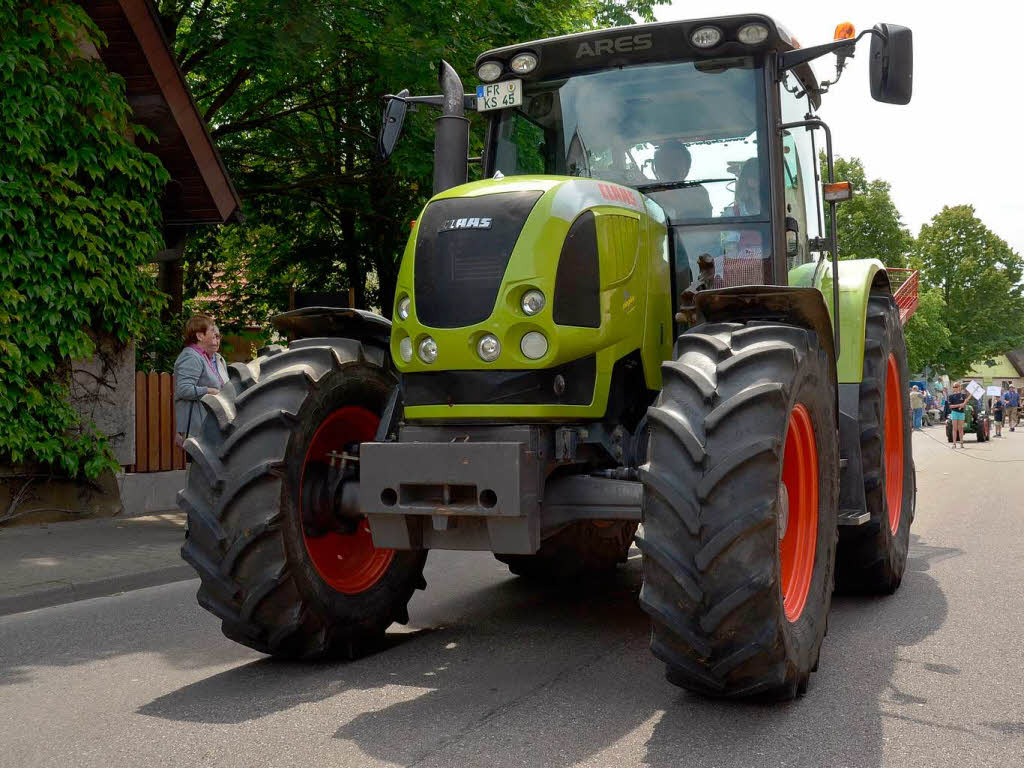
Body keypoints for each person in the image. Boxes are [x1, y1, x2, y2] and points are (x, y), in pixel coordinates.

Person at [173, 314, 224, 446]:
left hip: (204, 423)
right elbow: (184, 389)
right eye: (211, 330)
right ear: (200, 336)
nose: (215, 334)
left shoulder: (202, 356)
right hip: (197, 425)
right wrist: (210, 391)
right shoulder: (191, 357)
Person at [651, 141, 712, 220]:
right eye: (665, 160)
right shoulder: (646, 190)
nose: (670, 165)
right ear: (656, 167)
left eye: (676, 160)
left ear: (687, 168)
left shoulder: (698, 191)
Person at [947, 382, 969, 448]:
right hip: (954, 413)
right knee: (954, 428)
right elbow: (950, 406)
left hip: (961, 413)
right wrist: (959, 405)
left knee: (961, 428)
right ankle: (954, 443)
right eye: (954, 387)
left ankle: (961, 443)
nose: (955, 388)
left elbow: (964, 403)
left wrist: (963, 404)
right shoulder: (951, 396)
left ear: (959, 387)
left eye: (956, 386)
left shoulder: (963, 395)